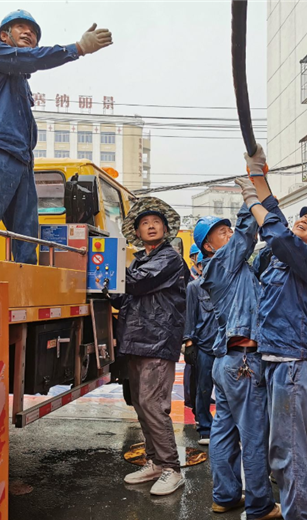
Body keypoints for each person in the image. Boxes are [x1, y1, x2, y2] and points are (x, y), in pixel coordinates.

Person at [238, 144, 307, 520]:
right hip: (280, 361)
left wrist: (252, 198)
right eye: (304, 215)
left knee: (286, 453)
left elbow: (277, 233)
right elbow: (280, 222)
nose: (304, 220)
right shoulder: (289, 258)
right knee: (291, 449)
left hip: (295, 364)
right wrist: (258, 177)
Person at [0, 11, 112, 263]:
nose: (29, 33)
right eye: (21, 27)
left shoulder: (19, 82)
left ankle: (25, 290)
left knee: (27, 236)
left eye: (33, 32)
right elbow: (31, 59)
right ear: (3, 36)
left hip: (22, 160)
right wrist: (78, 48)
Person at [196, 210, 280, 520]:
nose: (229, 236)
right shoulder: (222, 263)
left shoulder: (233, 270)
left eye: (228, 230)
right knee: (254, 434)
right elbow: (247, 233)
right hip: (243, 362)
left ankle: (226, 496)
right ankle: (260, 505)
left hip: (227, 364)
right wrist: (252, 202)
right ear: (209, 246)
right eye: (221, 233)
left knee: (224, 432)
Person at [114, 197, 188, 495]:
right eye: (145, 223)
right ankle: (155, 462)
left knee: (153, 404)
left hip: (157, 340)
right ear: (138, 232)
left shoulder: (168, 257)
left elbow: (138, 283)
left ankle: (171, 468)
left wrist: (108, 270)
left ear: (166, 229)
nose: (151, 226)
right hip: (136, 340)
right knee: (141, 404)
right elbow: (125, 296)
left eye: (156, 222)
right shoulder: (139, 260)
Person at [182, 257, 217, 445]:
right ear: (199, 266)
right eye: (205, 264)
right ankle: (205, 427)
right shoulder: (194, 288)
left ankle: (227, 429)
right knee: (203, 389)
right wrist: (189, 344)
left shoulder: (227, 288)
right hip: (205, 346)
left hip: (227, 348)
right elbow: (190, 316)